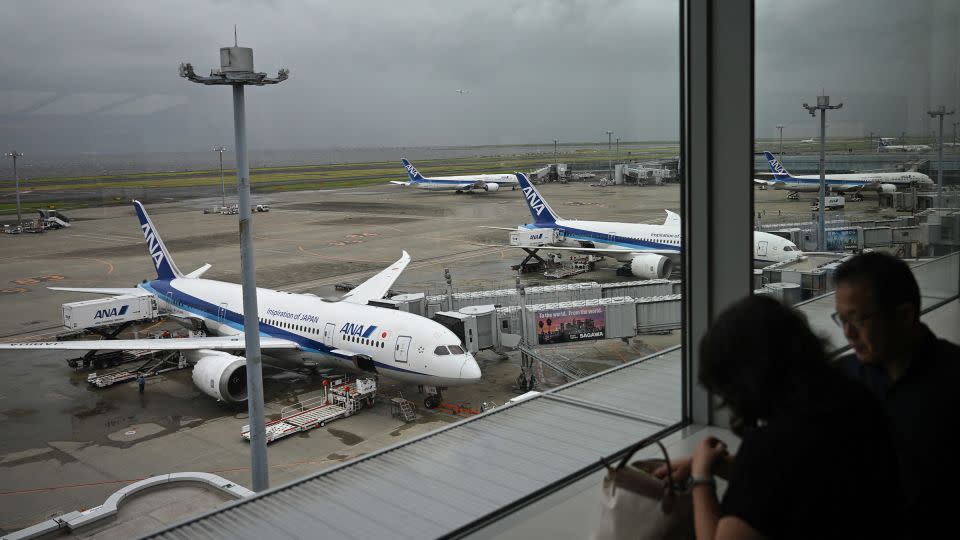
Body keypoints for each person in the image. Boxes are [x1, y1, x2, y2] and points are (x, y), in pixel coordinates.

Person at [657, 295, 902, 539]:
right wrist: (718, 465)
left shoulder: (771, 446)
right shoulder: (857, 398)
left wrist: (702, 480)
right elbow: (798, 486)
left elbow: (775, 473)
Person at [833, 251, 960, 537]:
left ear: (904, 315)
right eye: (841, 320)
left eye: (858, 319)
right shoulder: (839, 379)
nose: (848, 334)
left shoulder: (952, 385)